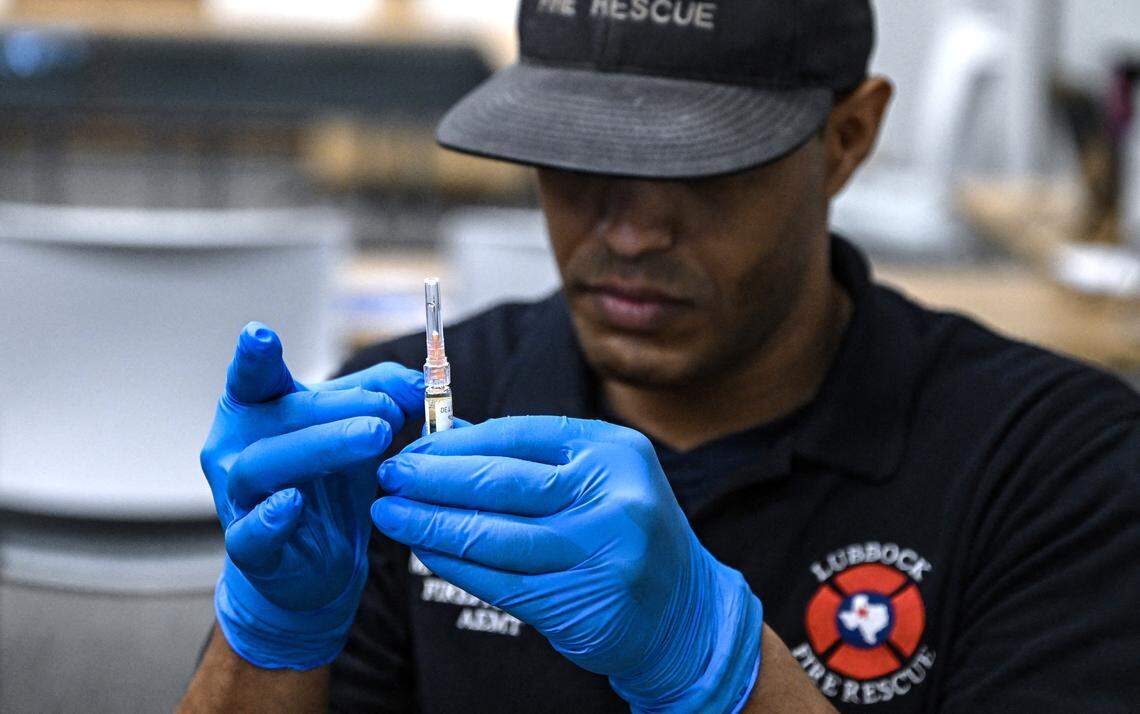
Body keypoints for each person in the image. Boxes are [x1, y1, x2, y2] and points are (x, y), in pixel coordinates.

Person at [179, 0, 1140, 712]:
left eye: (700, 165)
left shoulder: (1058, 468)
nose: (630, 233)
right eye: (577, 157)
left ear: (846, 139)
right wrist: (269, 637)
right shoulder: (402, 436)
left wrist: (725, 671)